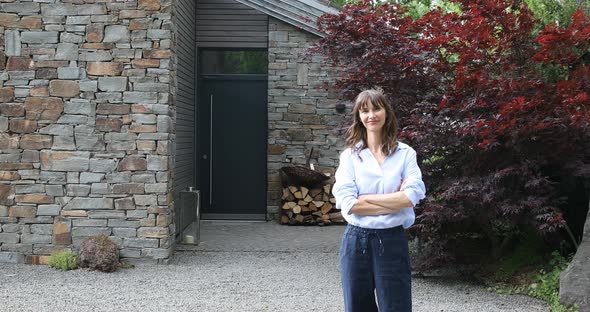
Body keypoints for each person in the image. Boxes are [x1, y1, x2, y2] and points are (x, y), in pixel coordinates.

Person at [333, 89, 426, 312]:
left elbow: (410, 198)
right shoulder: (350, 157)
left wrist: (366, 199)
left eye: (376, 108)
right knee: (357, 306)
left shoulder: (405, 154)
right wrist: (394, 200)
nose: (371, 115)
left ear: (386, 113)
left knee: (396, 306)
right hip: (356, 241)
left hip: (392, 240)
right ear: (359, 117)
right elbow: (349, 204)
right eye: (365, 111)